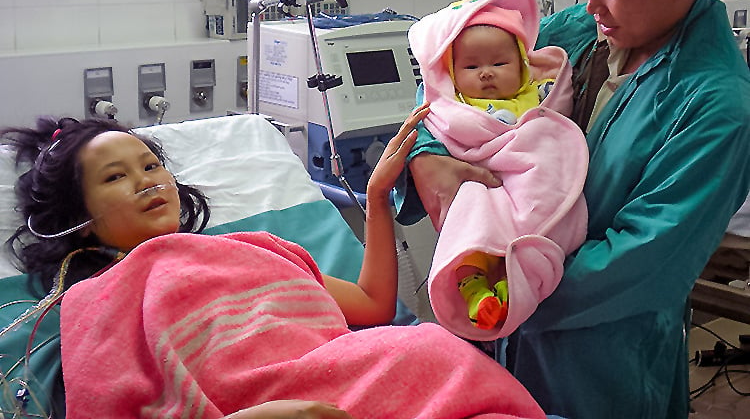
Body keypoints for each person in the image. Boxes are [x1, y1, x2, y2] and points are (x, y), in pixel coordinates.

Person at [396, 0, 750, 417]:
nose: (592, 5)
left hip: (597, 361)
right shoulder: (583, 34)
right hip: (499, 330)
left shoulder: (715, 107)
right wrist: (426, 156)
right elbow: (455, 78)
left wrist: (508, 294)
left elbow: (641, 265)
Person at [0, 110, 547, 419]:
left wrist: (377, 197)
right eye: (116, 177)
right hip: (275, 408)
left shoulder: (254, 245)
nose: (147, 180)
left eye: (150, 165)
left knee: (441, 360)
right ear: (80, 218)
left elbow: (375, 307)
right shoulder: (96, 298)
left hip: (370, 377)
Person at [407, 0, 587, 342]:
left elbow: (554, 110)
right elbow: (432, 104)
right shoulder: (456, 105)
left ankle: (512, 279)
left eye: (500, 64)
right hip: (483, 179)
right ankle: (476, 287)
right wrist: (424, 153)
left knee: (546, 214)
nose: (486, 73)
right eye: (472, 67)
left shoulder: (538, 92)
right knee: (474, 212)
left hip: (530, 170)